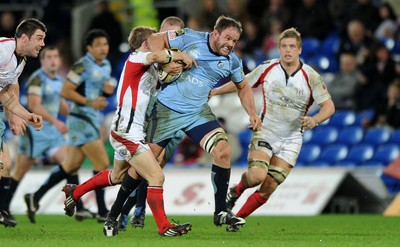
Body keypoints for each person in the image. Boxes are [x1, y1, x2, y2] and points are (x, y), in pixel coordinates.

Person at [60, 16, 186, 231]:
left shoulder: (150, 68)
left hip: (127, 130)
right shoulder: (136, 58)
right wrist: (180, 52)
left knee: (117, 176)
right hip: (127, 132)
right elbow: (159, 55)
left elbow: (162, 73)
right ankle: (164, 227)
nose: (161, 42)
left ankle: (76, 192)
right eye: (156, 39)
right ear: (146, 43)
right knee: (156, 175)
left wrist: (175, 69)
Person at [211, 27, 335, 232]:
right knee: (257, 176)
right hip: (266, 130)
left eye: (292, 47)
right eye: (284, 46)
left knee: (268, 187)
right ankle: (236, 191)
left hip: (292, 139)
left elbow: (329, 106)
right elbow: (243, 84)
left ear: (300, 50)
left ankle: (237, 219)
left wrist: (315, 119)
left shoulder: (310, 76)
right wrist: (216, 91)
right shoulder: (268, 67)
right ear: (278, 48)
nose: (288, 50)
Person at [144, 15, 261, 229]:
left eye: (234, 41)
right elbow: (153, 39)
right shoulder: (189, 37)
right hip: (167, 109)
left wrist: (252, 113)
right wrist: (173, 55)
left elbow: (243, 86)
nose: (230, 44)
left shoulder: (233, 61)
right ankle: (113, 208)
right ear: (215, 33)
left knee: (223, 150)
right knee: (142, 165)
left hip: (197, 112)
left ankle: (221, 212)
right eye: (227, 38)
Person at [26, 29, 115, 223]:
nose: (103, 48)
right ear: (89, 48)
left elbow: (96, 91)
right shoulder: (82, 66)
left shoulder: (106, 65)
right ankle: (102, 211)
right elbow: (66, 91)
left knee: (71, 165)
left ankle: (36, 196)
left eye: (105, 44)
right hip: (81, 118)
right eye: (98, 44)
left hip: (91, 118)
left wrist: (107, 92)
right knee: (101, 164)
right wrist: (90, 103)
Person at [2, 46, 92, 225]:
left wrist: (73, 119)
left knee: (70, 163)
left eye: (55, 56)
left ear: (59, 60)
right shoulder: (37, 79)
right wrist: (57, 122)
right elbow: (35, 106)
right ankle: (5, 207)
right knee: (19, 171)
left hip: (54, 135)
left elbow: (61, 105)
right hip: (37, 133)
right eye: (48, 57)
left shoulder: (59, 81)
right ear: (42, 61)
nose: (52, 60)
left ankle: (77, 205)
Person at [0, 18, 45, 227]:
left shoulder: (21, 60)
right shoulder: (3, 49)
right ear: (24, 38)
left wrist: (26, 115)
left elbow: (8, 94)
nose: (42, 44)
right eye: (39, 38)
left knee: (6, 165)